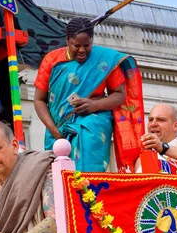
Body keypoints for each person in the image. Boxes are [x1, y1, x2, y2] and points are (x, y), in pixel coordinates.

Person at [34, 17, 144, 172]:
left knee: (87, 140)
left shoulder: (104, 60)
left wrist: (94, 105)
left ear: (92, 41)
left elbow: (119, 95)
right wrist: (55, 132)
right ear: (67, 40)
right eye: (76, 45)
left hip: (94, 122)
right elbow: (39, 100)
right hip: (57, 128)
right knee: (58, 178)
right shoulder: (51, 60)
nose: (82, 50)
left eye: (87, 45)